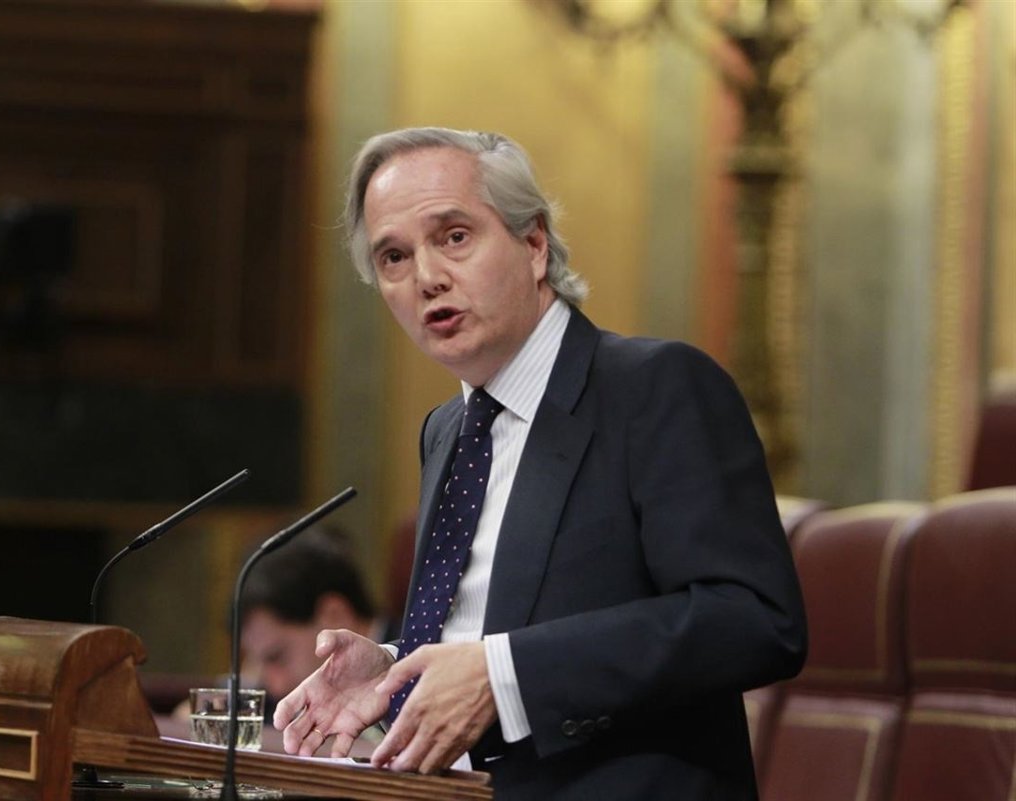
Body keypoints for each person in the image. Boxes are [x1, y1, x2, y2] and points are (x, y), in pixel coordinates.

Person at [274, 127, 807, 799]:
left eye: (454, 237)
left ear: (534, 245)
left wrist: (505, 676)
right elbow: (493, 626)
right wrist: (393, 672)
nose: (427, 277)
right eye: (394, 256)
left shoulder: (654, 388)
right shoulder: (447, 430)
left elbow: (755, 620)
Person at [239, 525, 393, 704]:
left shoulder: (414, 667)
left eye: (277, 657)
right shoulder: (275, 702)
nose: (276, 687)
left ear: (334, 615)